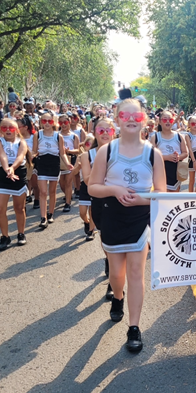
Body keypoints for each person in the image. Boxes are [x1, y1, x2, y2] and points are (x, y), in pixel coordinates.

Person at [87, 98, 166, 353]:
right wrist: (115, 189)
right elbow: (93, 187)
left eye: (137, 116)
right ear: (118, 118)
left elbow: (162, 193)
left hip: (139, 219)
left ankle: (134, 327)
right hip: (112, 217)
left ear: (144, 120)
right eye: (126, 116)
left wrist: (141, 199)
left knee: (136, 273)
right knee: (117, 275)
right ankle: (117, 297)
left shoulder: (153, 154)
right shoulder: (106, 151)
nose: (132, 120)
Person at [80, 118, 116, 299]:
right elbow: (87, 181)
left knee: (119, 241)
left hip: (120, 201)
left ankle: (114, 283)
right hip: (100, 202)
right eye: (100, 130)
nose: (104, 133)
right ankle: (110, 262)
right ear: (95, 133)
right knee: (106, 240)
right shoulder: (87, 156)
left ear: (113, 131)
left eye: (107, 130)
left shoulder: (123, 151)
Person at [0, 118, 29, 250]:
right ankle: (5, 236)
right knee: (0, 208)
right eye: (4, 128)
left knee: (19, 208)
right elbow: (2, 155)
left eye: (11, 128)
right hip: (3, 174)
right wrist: (7, 168)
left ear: (17, 130)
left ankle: (21, 233)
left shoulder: (22, 143)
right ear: (0, 130)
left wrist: (12, 168)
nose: (8, 130)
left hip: (18, 173)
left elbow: (20, 157)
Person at [34, 112, 72, 228]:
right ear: (41, 122)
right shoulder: (37, 135)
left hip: (54, 163)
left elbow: (62, 153)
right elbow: (34, 151)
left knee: (52, 191)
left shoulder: (58, 136)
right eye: (44, 121)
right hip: (42, 163)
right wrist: (29, 156)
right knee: (43, 192)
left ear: (53, 122)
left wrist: (67, 163)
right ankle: (43, 217)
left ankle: (51, 213)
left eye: (49, 121)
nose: (46, 123)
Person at [150, 110, 188, 192]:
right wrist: (167, 157)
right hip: (161, 170)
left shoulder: (178, 136)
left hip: (176, 170)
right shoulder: (155, 137)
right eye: (164, 120)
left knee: (175, 198)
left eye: (170, 120)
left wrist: (178, 157)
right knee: (162, 196)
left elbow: (185, 153)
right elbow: (151, 156)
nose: (167, 122)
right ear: (160, 122)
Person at [58, 113, 80, 212]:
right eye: (61, 122)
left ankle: (68, 203)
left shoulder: (74, 136)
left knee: (68, 183)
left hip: (71, 159)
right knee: (61, 183)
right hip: (59, 160)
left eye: (65, 122)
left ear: (69, 122)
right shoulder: (56, 135)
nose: (63, 124)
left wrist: (68, 151)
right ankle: (68, 195)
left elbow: (77, 150)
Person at [18, 115, 38, 206]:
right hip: (22, 161)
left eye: (19, 127)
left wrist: (32, 156)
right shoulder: (17, 138)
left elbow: (36, 149)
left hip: (33, 161)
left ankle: (37, 199)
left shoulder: (34, 136)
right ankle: (27, 195)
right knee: (25, 180)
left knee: (34, 182)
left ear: (26, 127)